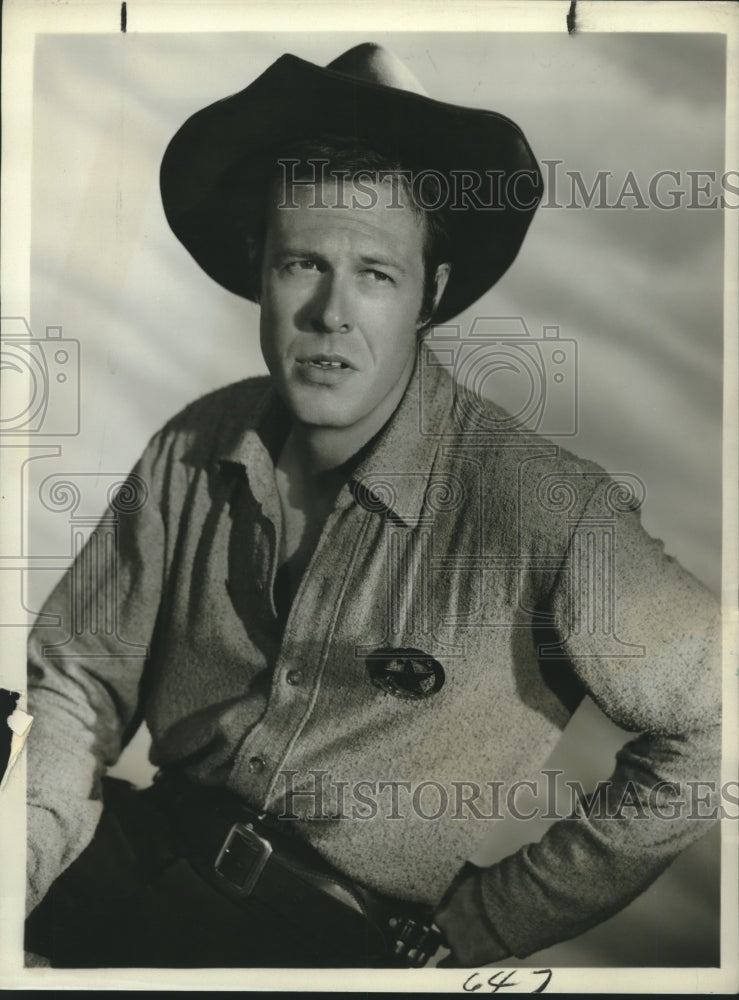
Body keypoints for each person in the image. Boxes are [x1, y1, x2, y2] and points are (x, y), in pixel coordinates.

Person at [24, 42, 720, 969]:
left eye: (376, 275)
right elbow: (75, 685)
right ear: (255, 268)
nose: (331, 313)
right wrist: (19, 867)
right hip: (130, 853)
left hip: (319, 944)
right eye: (301, 264)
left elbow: (721, 718)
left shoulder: (542, 508)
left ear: (429, 293)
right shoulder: (197, 444)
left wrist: (483, 924)